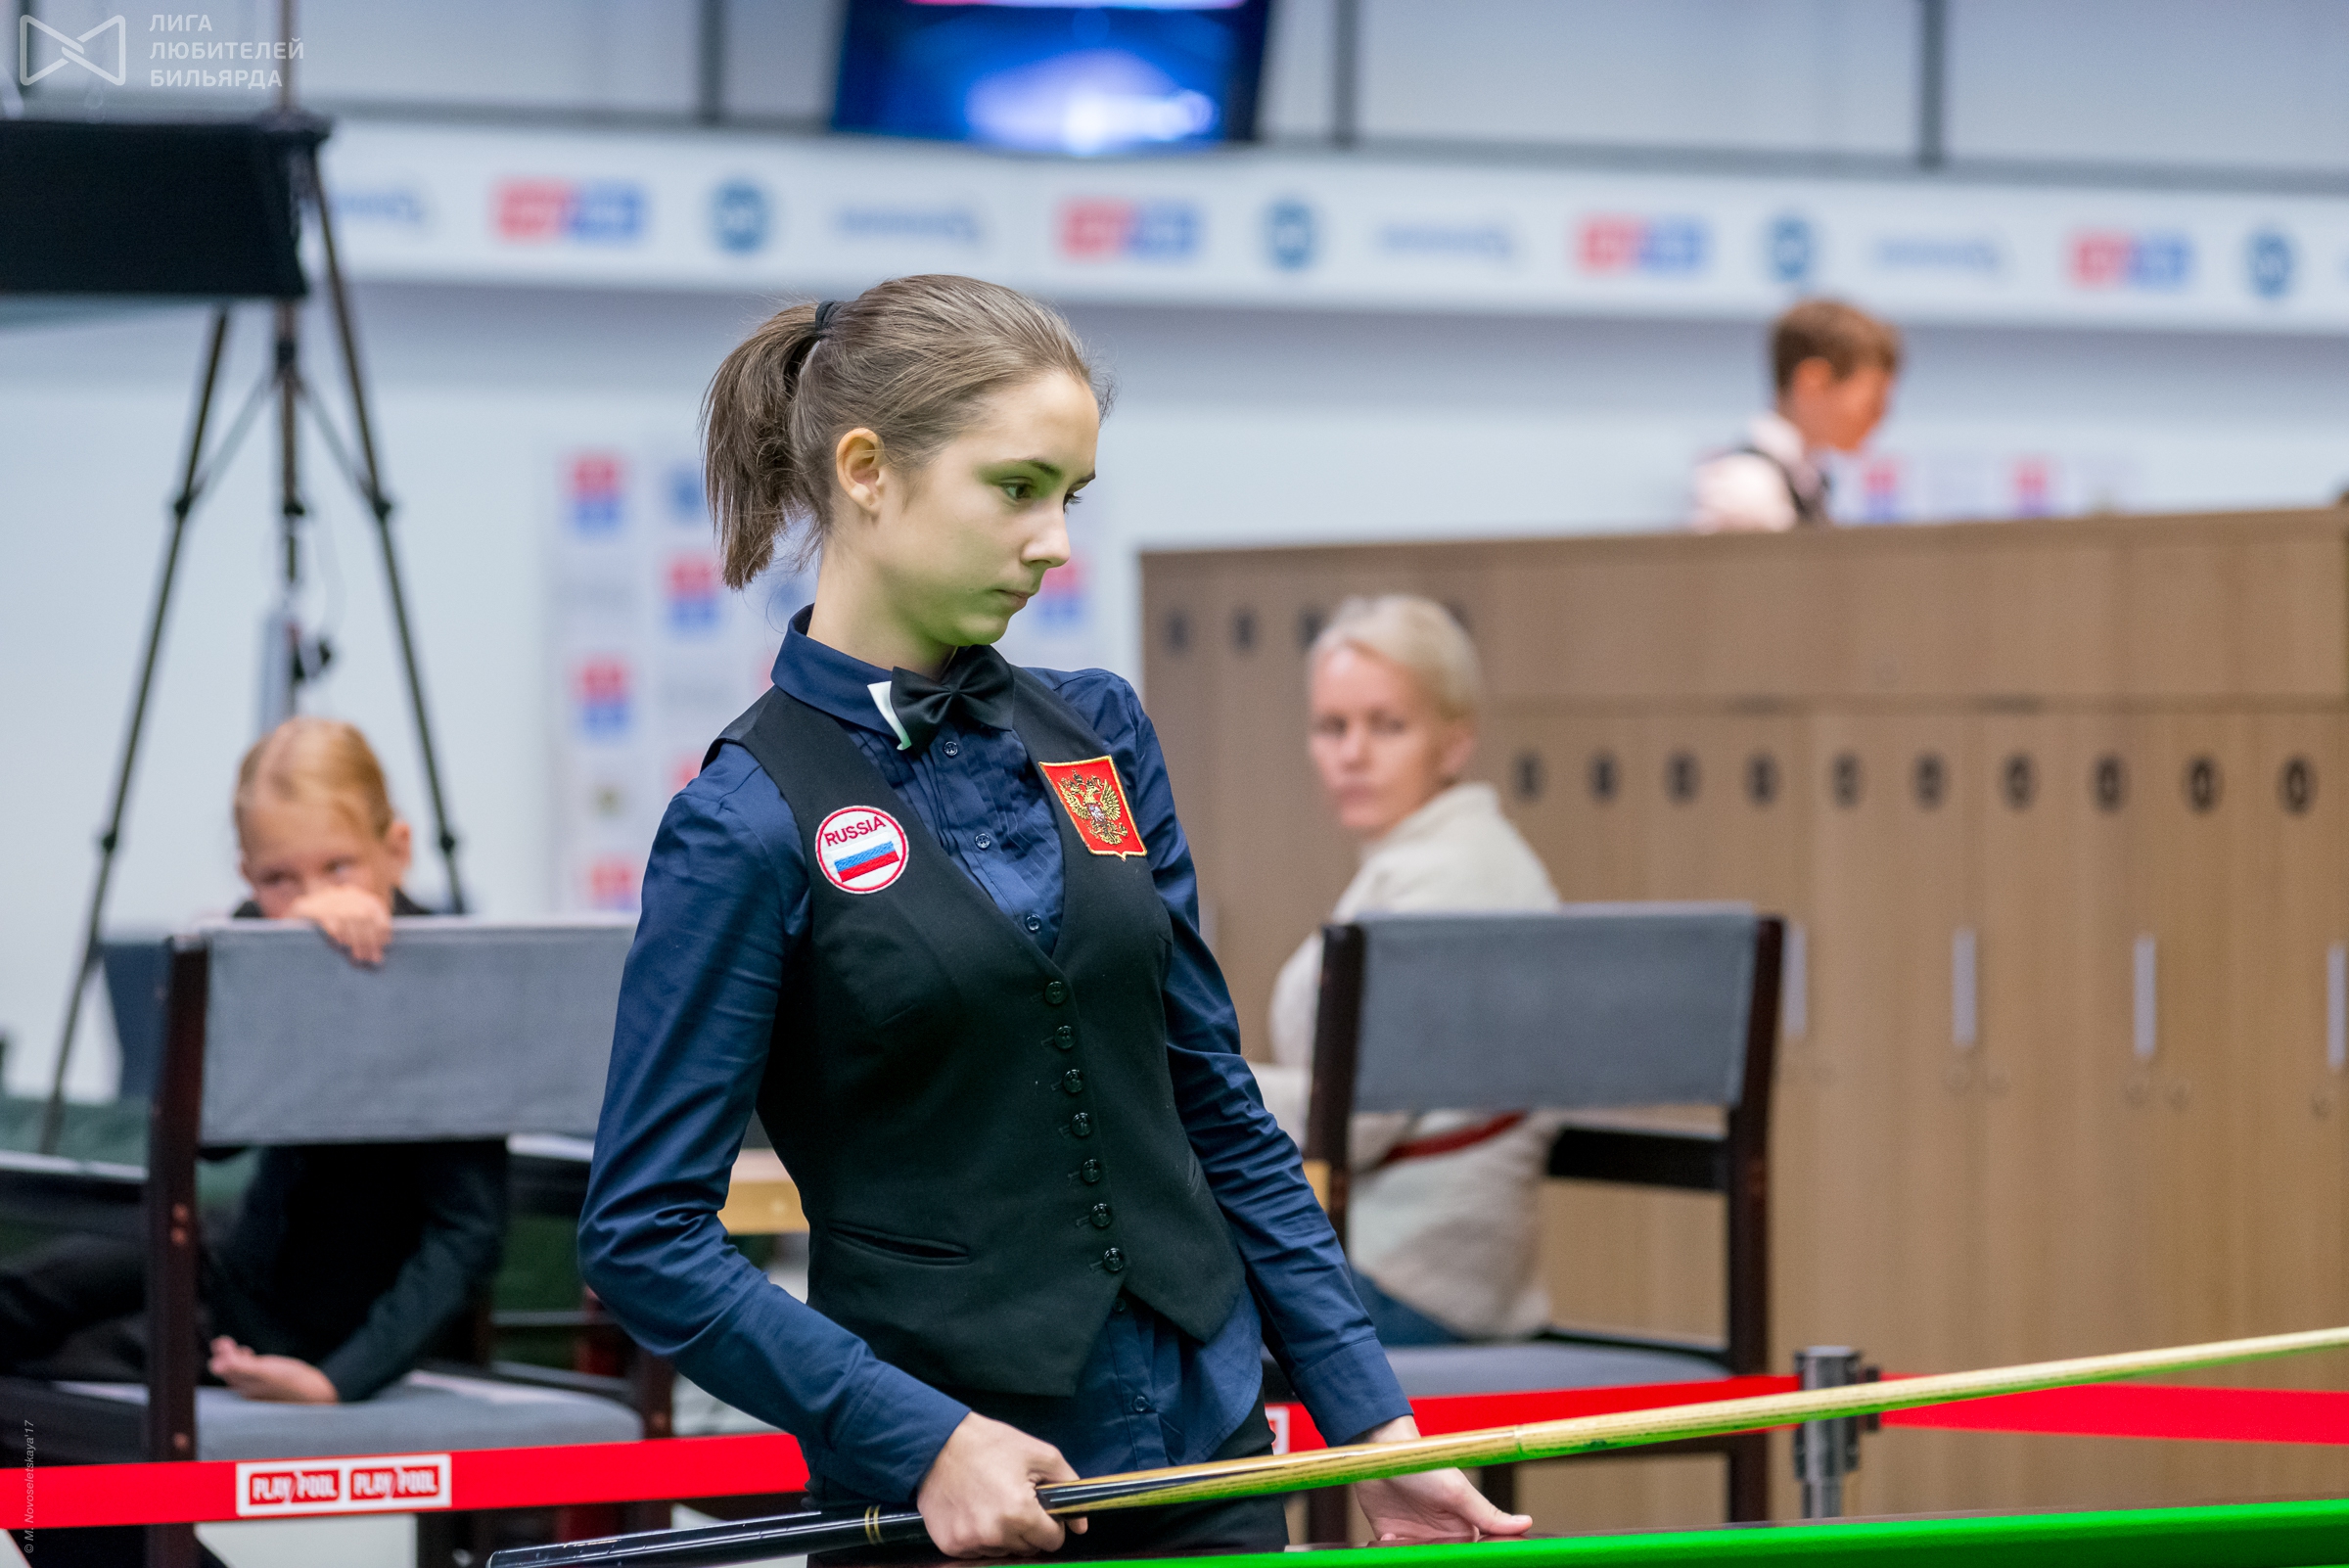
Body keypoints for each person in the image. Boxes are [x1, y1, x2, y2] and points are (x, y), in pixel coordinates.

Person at [577, 276, 1528, 1559]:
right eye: (1017, 488)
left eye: (1069, 496)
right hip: (951, 1490)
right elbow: (643, 1236)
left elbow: (1211, 1100)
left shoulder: (1103, 735)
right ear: (867, 471)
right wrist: (918, 1435)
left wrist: (1374, 1422)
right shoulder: (743, 820)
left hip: (1207, 1442)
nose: (1055, 543)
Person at [0, 717, 506, 1407]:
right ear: (248, 874)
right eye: (279, 880)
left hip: (317, 1328)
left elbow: (469, 1231)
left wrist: (336, 1381)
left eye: (338, 868)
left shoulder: (447, 987)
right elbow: (213, 1139)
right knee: (22, 1298)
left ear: (397, 851)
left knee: (40, 1384)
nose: (312, 902)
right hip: (234, 1262)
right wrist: (272, 972)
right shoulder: (257, 939)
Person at [1253, 597, 1564, 1348]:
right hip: (1423, 1268)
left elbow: (1355, 1121)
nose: (1353, 753)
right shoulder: (1454, 859)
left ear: (1454, 744)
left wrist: (1186, 1086)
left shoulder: (1447, 880)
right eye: (1332, 727)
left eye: (1387, 726)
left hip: (1403, 1282)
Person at [1688, 298, 1902, 531]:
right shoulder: (1747, 489)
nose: (1880, 416)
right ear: (1813, 383)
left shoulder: (1806, 479)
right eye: (1873, 401)